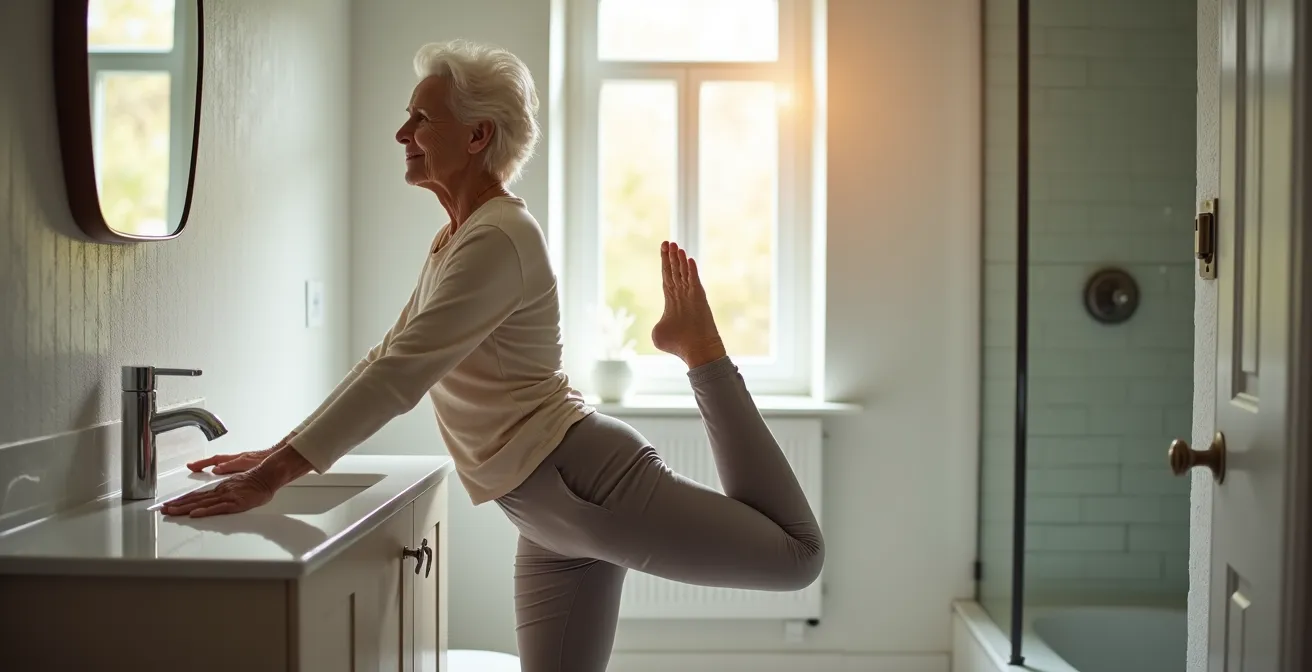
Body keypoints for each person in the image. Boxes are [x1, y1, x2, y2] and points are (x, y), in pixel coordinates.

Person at [161, 39, 823, 671]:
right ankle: (698, 354)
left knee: (798, 557)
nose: (402, 134)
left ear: (478, 136)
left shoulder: (499, 239)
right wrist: (280, 452)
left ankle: (702, 353)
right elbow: (386, 357)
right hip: (544, 504)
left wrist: (272, 476)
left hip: (581, 478)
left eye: (421, 118)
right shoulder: (457, 240)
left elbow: (399, 378)